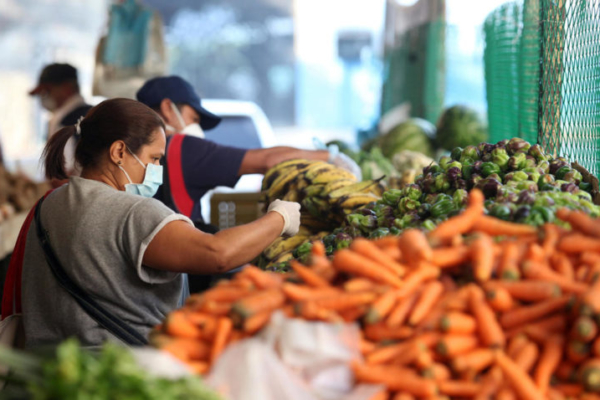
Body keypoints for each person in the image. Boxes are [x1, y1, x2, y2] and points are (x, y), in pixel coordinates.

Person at [2, 98, 300, 348]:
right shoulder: (134, 213)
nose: (158, 169)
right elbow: (217, 254)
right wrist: (279, 218)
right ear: (119, 152)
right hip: (120, 377)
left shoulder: (48, 204)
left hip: (47, 376)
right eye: (155, 158)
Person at [136, 76, 361, 229]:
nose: (195, 128)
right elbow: (266, 160)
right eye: (194, 119)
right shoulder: (181, 148)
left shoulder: (131, 148)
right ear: (167, 108)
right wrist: (330, 157)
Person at [29, 63, 93, 176]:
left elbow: (62, 175)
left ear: (66, 89)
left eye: (46, 92)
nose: (43, 98)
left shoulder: (63, 122)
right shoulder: (96, 113)